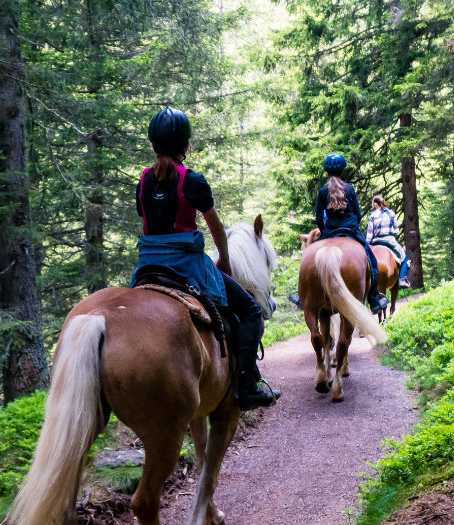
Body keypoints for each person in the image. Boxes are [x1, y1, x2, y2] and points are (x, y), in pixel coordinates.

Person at [132, 107, 280, 410]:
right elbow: (217, 230)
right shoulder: (192, 181)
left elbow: (146, 217)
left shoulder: (144, 181)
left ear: (153, 144)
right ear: (186, 145)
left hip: (147, 267)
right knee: (251, 311)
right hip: (187, 267)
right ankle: (248, 387)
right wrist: (224, 261)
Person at [312, 154, 388, 313]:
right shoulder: (349, 189)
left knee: (311, 258)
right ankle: (374, 300)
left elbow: (319, 218)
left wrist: (325, 231)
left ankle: (303, 296)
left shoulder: (323, 191)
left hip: (330, 231)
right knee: (372, 261)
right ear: (343, 170)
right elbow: (358, 214)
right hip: (351, 230)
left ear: (326, 171)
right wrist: (352, 226)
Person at [366, 195, 411, 288]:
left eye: (373, 204)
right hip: (389, 239)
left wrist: (367, 244)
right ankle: (402, 278)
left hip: (375, 240)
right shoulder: (391, 213)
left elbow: (369, 234)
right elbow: (396, 230)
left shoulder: (372, 215)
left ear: (375, 204)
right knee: (404, 257)